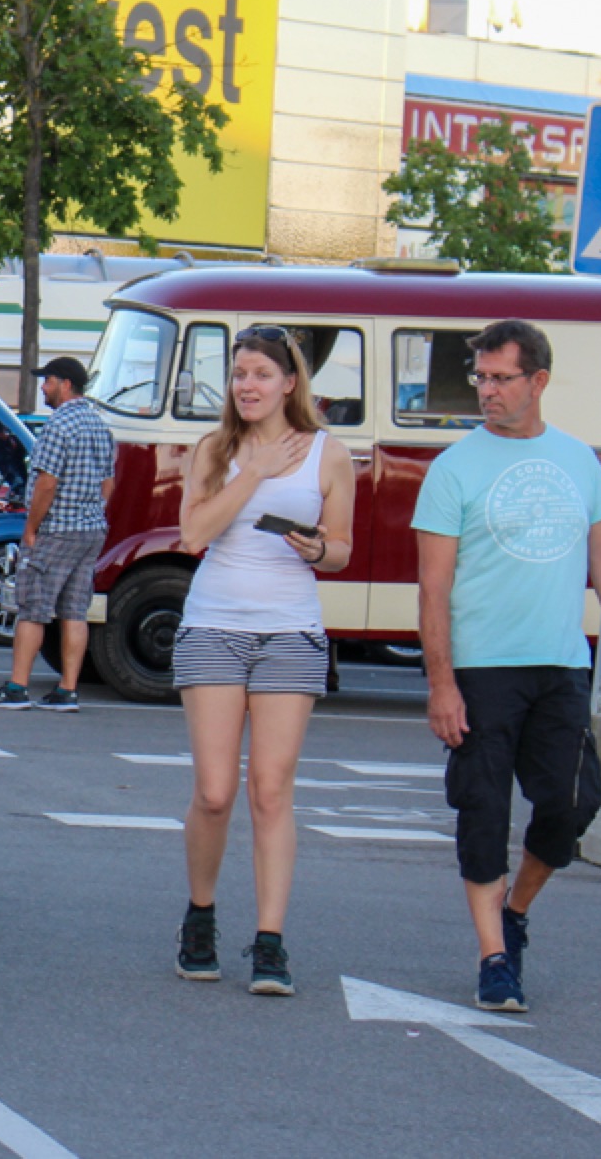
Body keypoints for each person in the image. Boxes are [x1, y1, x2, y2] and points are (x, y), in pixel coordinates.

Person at [415, 319, 601, 1015]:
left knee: (570, 805)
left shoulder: (577, 460)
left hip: (560, 665)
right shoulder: (453, 468)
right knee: (484, 810)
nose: (487, 391)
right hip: (481, 669)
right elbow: (433, 588)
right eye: (481, 378)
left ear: (539, 381)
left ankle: (516, 911)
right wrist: (441, 684)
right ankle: (493, 956)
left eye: (501, 378)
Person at [159, 328, 355, 998]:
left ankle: (270, 941)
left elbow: (341, 549)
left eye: (262, 374)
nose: (247, 385)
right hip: (214, 625)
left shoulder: (329, 454)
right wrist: (255, 473)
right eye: (239, 373)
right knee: (215, 793)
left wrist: (317, 549)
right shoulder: (214, 448)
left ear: (289, 383)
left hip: (290, 631)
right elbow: (193, 534)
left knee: (270, 791)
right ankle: (200, 916)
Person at [0, 357, 118, 713]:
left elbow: (46, 482)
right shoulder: (99, 425)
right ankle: (67, 691)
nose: (44, 387)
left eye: (49, 381)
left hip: (55, 530)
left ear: (66, 384)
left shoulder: (58, 425)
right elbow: (108, 482)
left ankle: (17, 687)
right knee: (75, 611)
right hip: (90, 530)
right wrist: (92, 510)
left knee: (32, 608)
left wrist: (31, 528)